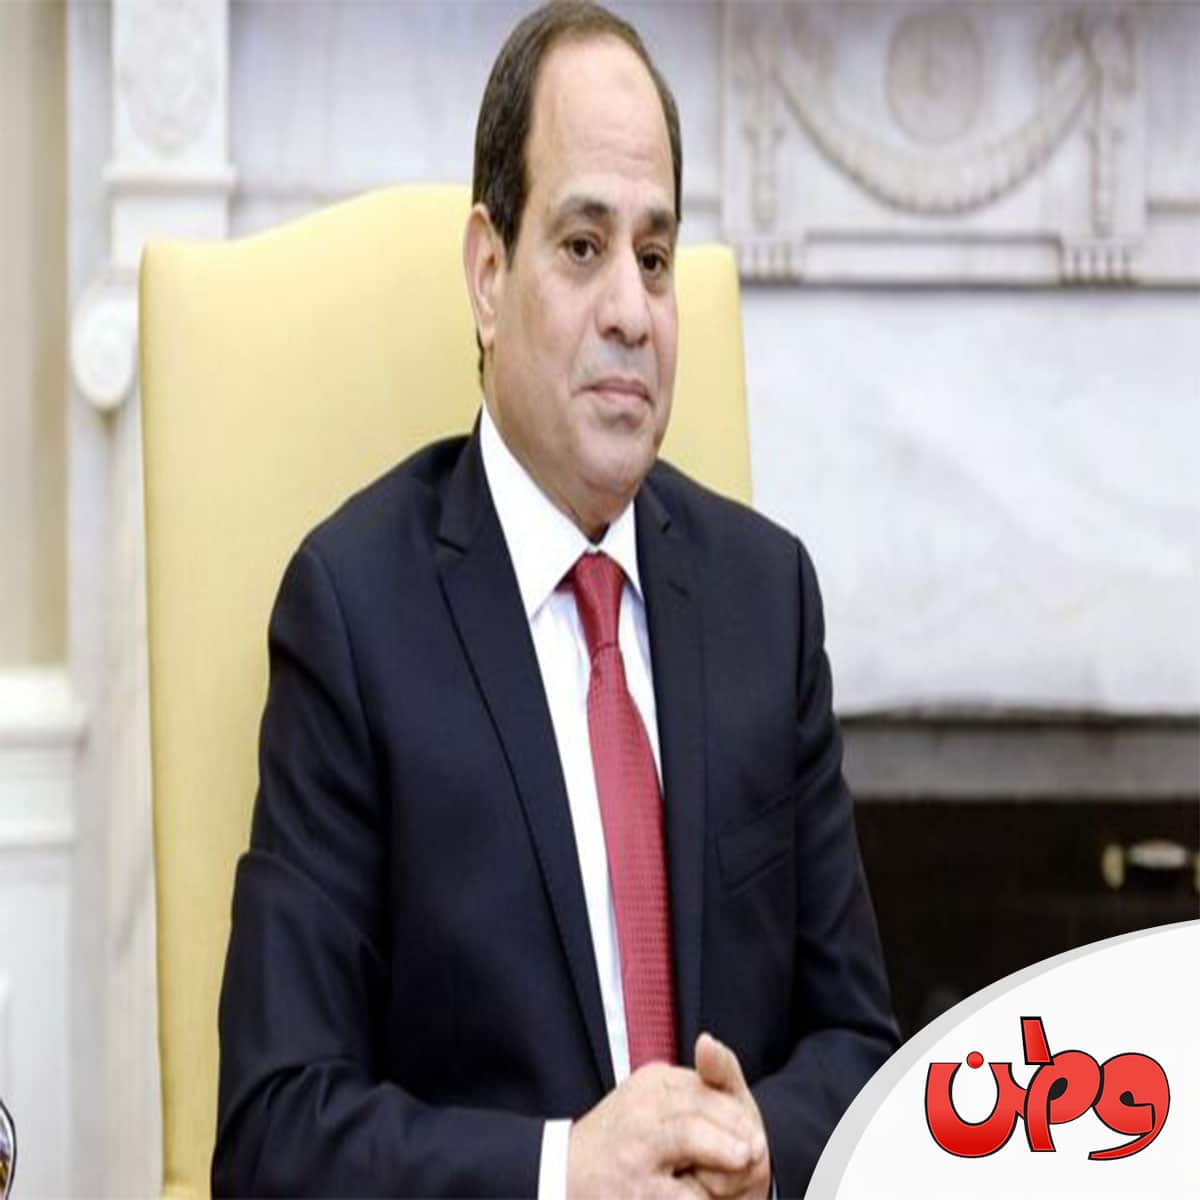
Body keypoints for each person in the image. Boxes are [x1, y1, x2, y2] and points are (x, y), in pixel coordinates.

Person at [212, 3, 898, 1196]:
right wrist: (563, 1171)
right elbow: (276, 1131)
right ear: (489, 275)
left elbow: (860, 1051)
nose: (632, 309)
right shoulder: (352, 616)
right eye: (583, 247)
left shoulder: (767, 598)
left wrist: (755, 1146)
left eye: (655, 257)